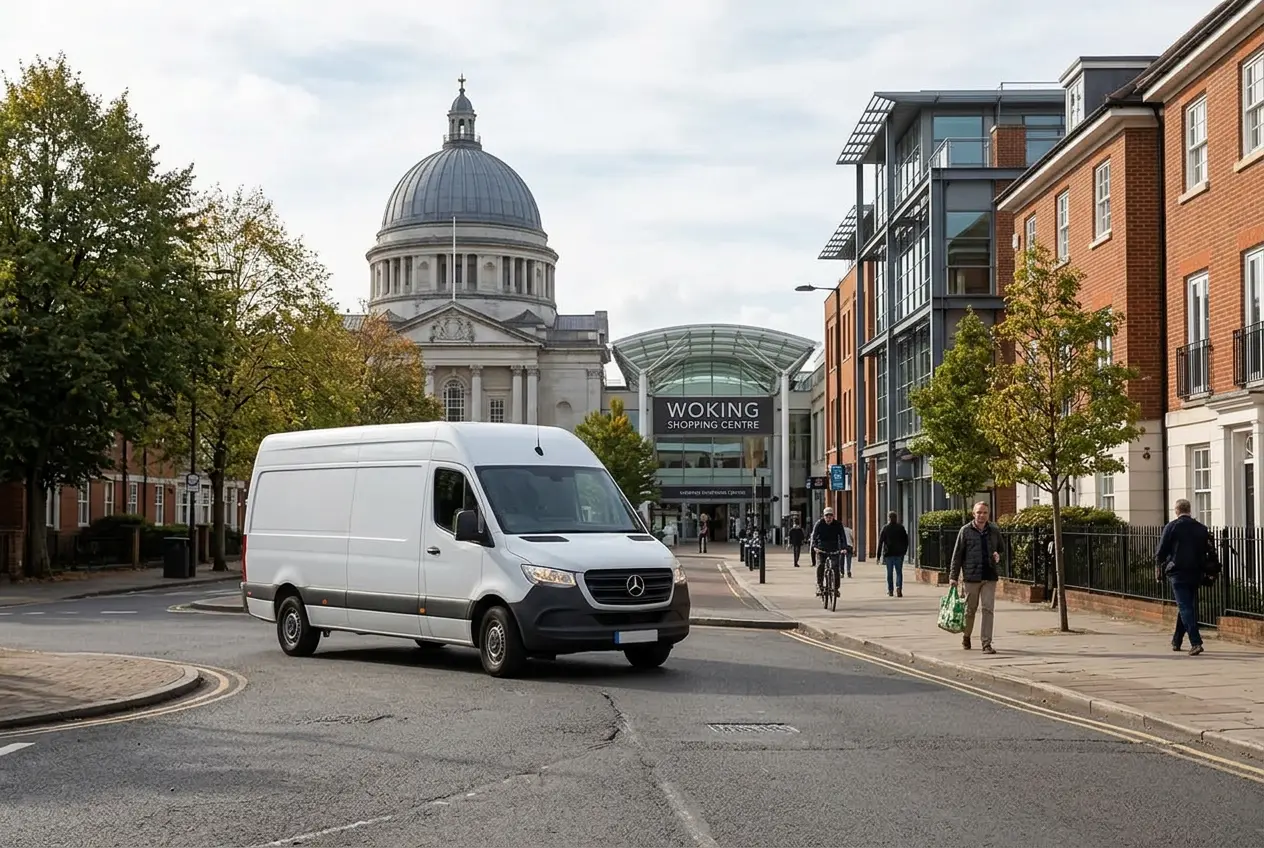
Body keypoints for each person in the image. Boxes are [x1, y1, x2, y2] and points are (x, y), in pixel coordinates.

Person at [1155, 498, 1216, 656]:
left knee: (1185, 607)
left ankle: (1196, 642)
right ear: (1189, 510)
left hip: (1178, 572)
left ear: (1176, 511)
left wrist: (1159, 568)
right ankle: (1177, 640)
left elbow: (1161, 551)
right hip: (1196, 572)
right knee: (1186, 606)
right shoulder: (1201, 528)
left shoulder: (1172, 527)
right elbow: (1206, 550)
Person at [949, 501, 1004, 654]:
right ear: (973, 514)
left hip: (989, 576)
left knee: (988, 609)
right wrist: (953, 577)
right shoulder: (965, 531)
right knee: (969, 611)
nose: (982, 515)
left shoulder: (994, 530)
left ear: (988, 514)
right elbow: (957, 555)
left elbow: (1003, 550)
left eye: (985, 512)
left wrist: (998, 555)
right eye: (979, 512)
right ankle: (966, 636)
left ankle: (986, 643)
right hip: (971, 577)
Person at [811, 506, 846, 597]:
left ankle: (836, 588)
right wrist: (815, 547)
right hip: (821, 548)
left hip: (834, 548)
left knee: (835, 567)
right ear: (824, 516)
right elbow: (814, 537)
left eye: (830, 516)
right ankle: (819, 585)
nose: (828, 518)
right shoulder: (819, 524)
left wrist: (844, 548)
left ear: (833, 516)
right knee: (820, 566)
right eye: (827, 516)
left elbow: (842, 537)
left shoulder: (838, 524)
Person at [877, 511, 909, 597]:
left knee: (889, 573)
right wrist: (904, 551)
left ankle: (890, 590)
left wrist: (878, 555)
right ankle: (899, 587)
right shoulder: (901, 528)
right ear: (896, 518)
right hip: (899, 554)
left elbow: (880, 542)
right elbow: (906, 540)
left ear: (889, 518)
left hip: (888, 554)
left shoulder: (885, 528)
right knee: (899, 572)